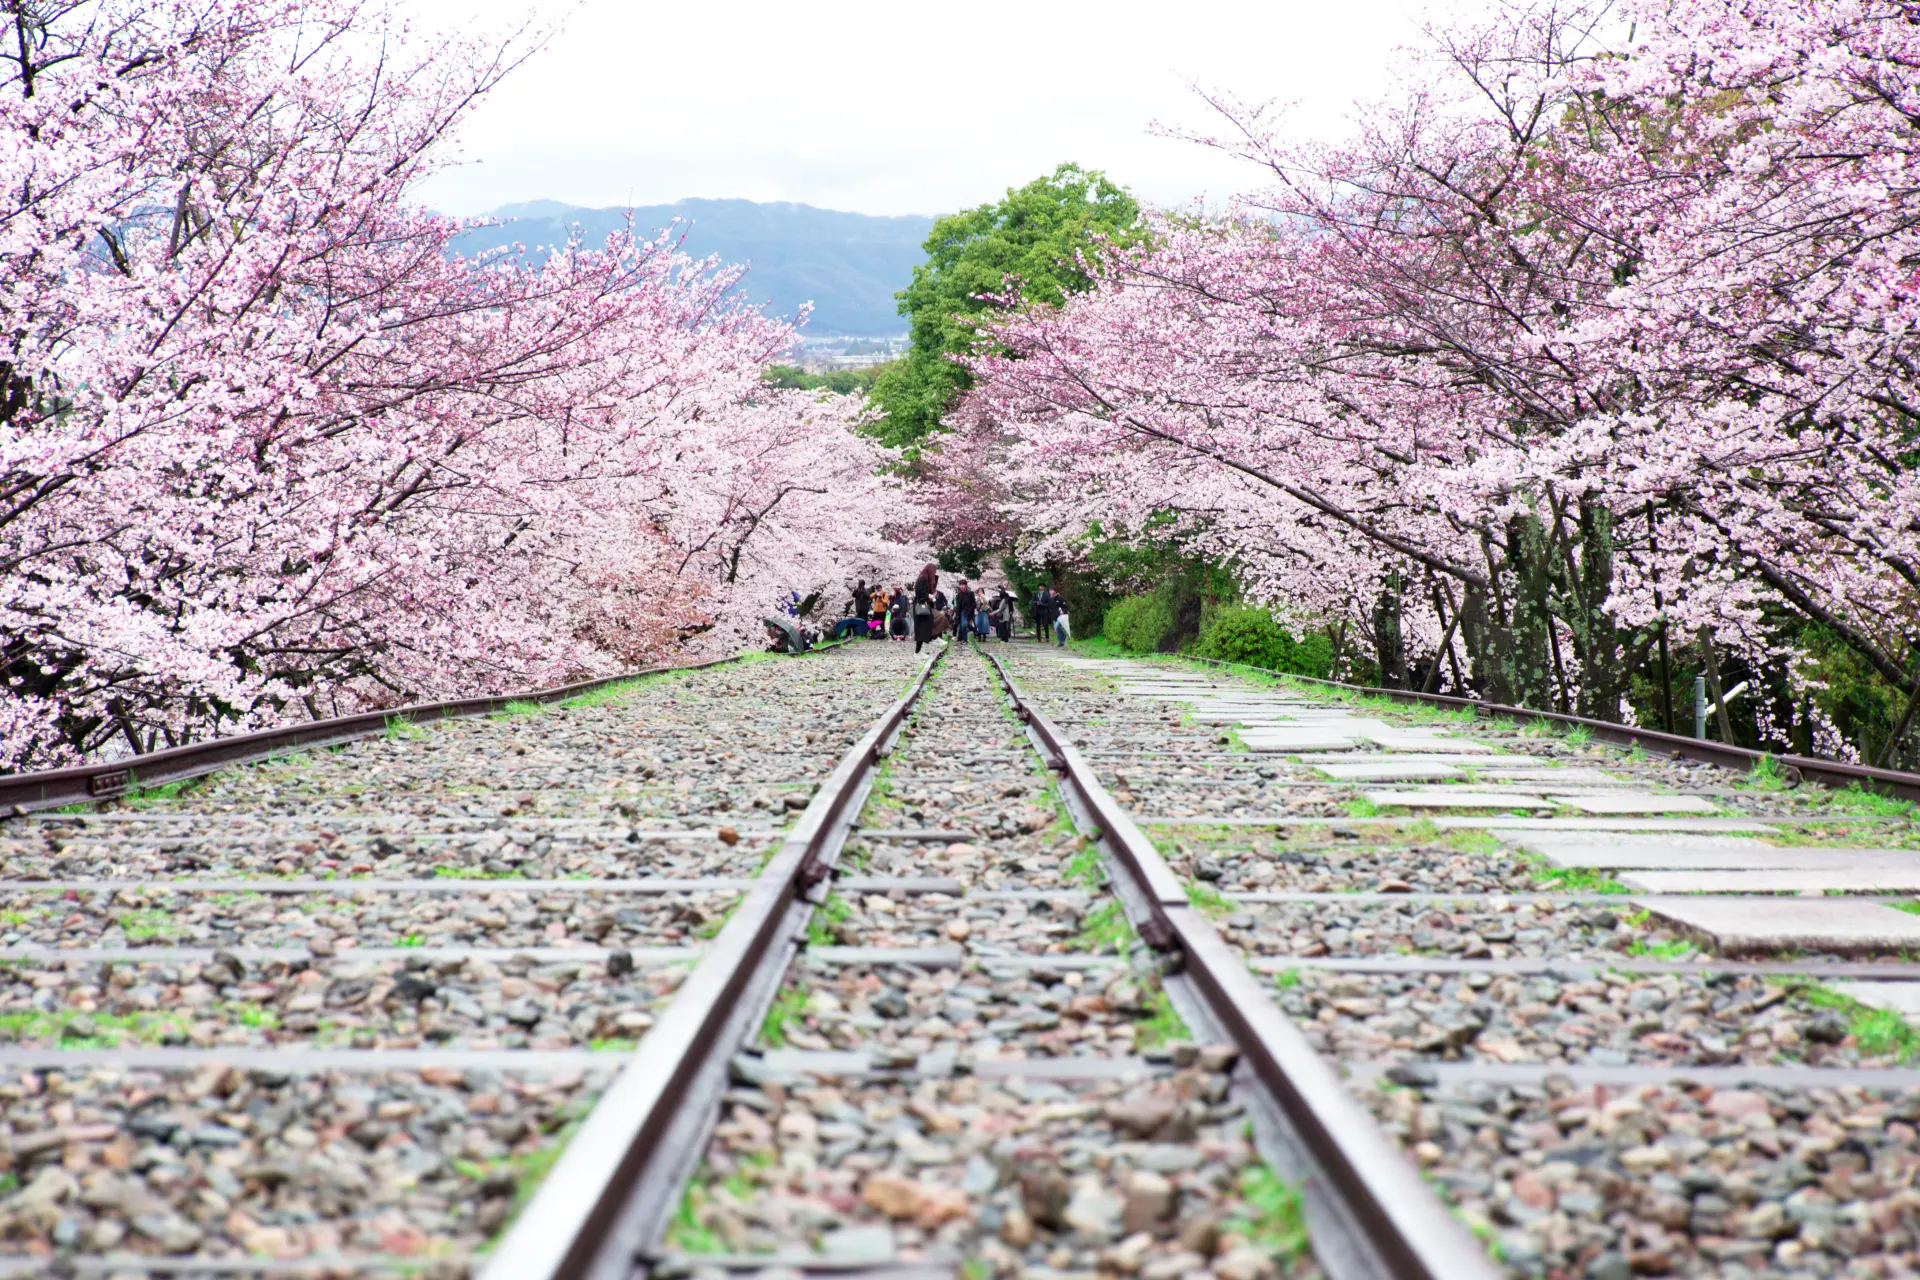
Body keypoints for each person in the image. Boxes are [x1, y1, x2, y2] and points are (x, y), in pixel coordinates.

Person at [912, 563, 938, 653]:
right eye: (934, 571)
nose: (934, 572)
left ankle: (918, 650)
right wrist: (928, 596)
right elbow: (919, 591)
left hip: (925, 605)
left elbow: (932, 590)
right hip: (921, 605)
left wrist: (936, 578)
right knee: (922, 628)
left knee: (924, 627)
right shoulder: (922, 578)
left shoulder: (927, 579)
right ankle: (918, 650)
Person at [954, 579, 977, 646]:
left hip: (968, 611)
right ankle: (965, 640)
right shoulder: (958, 595)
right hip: (961, 612)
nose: (962, 586)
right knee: (962, 626)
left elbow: (974, 603)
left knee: (965, 624)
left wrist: (971, 609)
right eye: (960, 585)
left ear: (966, 585)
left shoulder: (970, 593)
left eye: (963, 585)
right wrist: (957, 614)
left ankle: (974, 630)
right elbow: (958, 606)